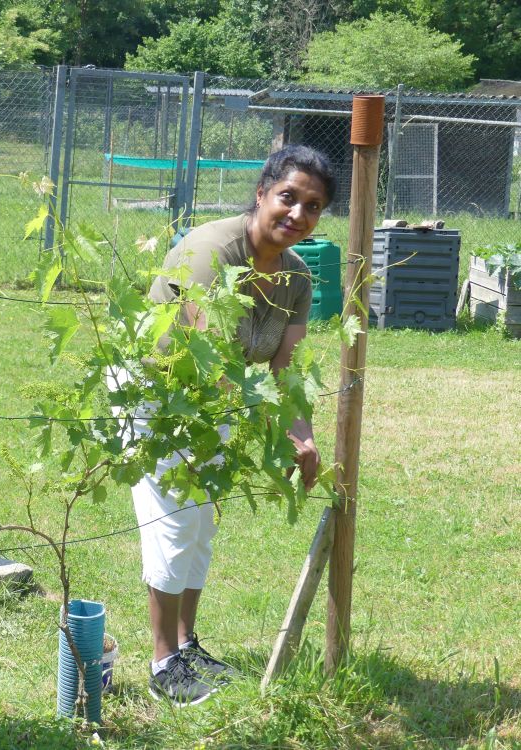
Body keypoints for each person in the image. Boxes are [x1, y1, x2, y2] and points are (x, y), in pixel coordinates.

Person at [131, 145, 336, 706]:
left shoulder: (296, 280)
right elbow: (210, 359)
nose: (297, 214)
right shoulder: (210, 252)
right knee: (172, 523)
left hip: (223, 402)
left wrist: (301, 434)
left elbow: (286, 374)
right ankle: (162, 663)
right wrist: (257, 422)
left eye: (312, 206)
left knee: (201, 526)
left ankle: (187, 644)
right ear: (262, 194)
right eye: (288, 198)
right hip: (160, 395)